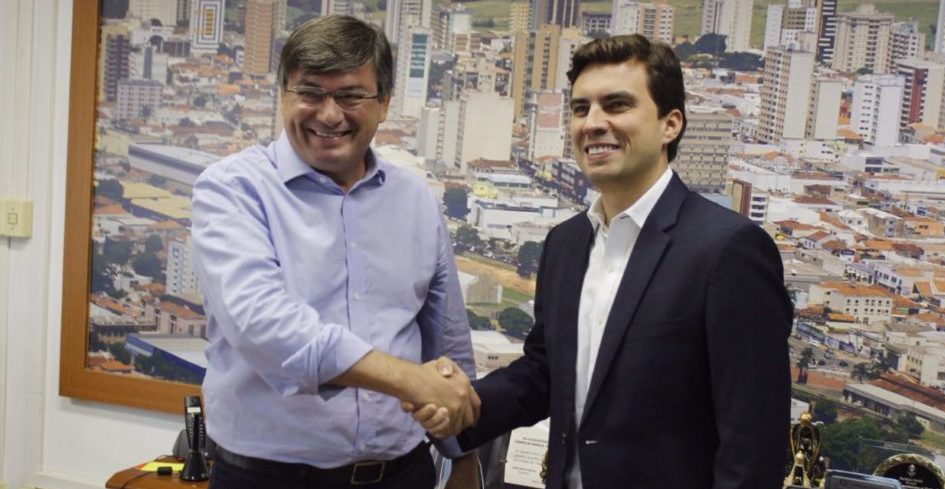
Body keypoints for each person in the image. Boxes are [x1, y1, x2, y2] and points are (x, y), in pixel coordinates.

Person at [409, 35, 792, 489]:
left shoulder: (728, 251)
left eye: (616, 105)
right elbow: (545, 374)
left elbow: (753, 448)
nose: (592, 123)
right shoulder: (566, 244)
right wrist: (462, 405)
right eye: (580, 109)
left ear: (670, 124)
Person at [191, 15, 480, 489]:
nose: (329, 115)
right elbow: (264, 326)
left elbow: (445, 337)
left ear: (384, 103)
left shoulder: (414, 198)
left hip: (403, 474)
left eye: (350, 96)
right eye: (310, 93)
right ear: (283, 96)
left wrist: (462, 452)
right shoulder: (233, 190)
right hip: (270, 480)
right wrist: (410, 380)